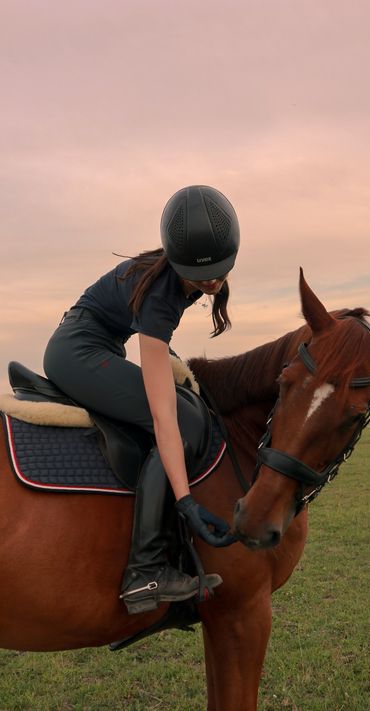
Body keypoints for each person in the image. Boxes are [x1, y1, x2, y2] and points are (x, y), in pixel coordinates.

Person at [43, 185, 239, 614]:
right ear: (177, 260)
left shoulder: (188, 269)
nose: (212, 283)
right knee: (183, 420)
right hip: (77, 351)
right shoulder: (160, 298)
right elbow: (164, 421)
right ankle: (145, 569)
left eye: (220, 273)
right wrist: (186, 501)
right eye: (201, 277)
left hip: (99, 345)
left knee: (189, 406)